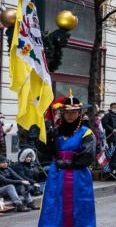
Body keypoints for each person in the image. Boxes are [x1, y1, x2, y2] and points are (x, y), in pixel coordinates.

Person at [39, 92, 97, 226]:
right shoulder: (56, 131)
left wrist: (69, 163)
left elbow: (88, 156)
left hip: (78, 175)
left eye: (74, 112)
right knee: (54, 202)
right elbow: (44, 153)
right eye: (67, 112)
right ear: (62, 114)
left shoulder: (86, 133)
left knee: (79, 204)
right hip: (57, 174)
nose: (70, 115)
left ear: (79, 113)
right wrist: (49, 140)